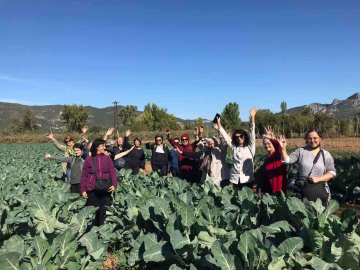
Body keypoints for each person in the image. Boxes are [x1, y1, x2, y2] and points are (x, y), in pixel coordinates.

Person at [279, 127, 336, 206]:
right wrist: (283, 148)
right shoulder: (301, 151)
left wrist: (318, 179)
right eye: (309, 138)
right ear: (306, 139)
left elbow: (332, 173)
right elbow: (287, 160)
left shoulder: (326, 155)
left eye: (315, 138)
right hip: (303, 191)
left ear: (320, 138)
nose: (312, 141)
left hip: (320, 191)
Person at [216, 108, 258, 189]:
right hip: (234, 179)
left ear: (244, 136)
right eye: (236, 137)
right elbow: (226, 137)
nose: (239, 138)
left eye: (241, 136)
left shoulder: (250, 147)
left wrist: (252, 117)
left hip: (247, 179)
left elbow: (252, 132)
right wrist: (219, 124)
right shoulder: (234, 147)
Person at [80, 139, 118, 226]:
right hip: (92, 188)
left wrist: (114, 184)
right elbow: (84, 175)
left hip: (105, 188)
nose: (104, 147)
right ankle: (93, 229)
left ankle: (102, 229)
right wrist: (83, 189)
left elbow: (112, 172)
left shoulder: (108, 159)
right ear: (97, 147)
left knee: (103, 210)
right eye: (102, 146)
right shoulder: (89, 159)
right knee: (93, 210)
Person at [256, 126, 287, 195]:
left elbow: (279, 148)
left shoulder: (278, 155)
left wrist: (273, 139)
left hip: (277, 188)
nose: (267, 146)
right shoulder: (267, 156)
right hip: (267, 187)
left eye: (269, 143)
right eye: (265, 144)